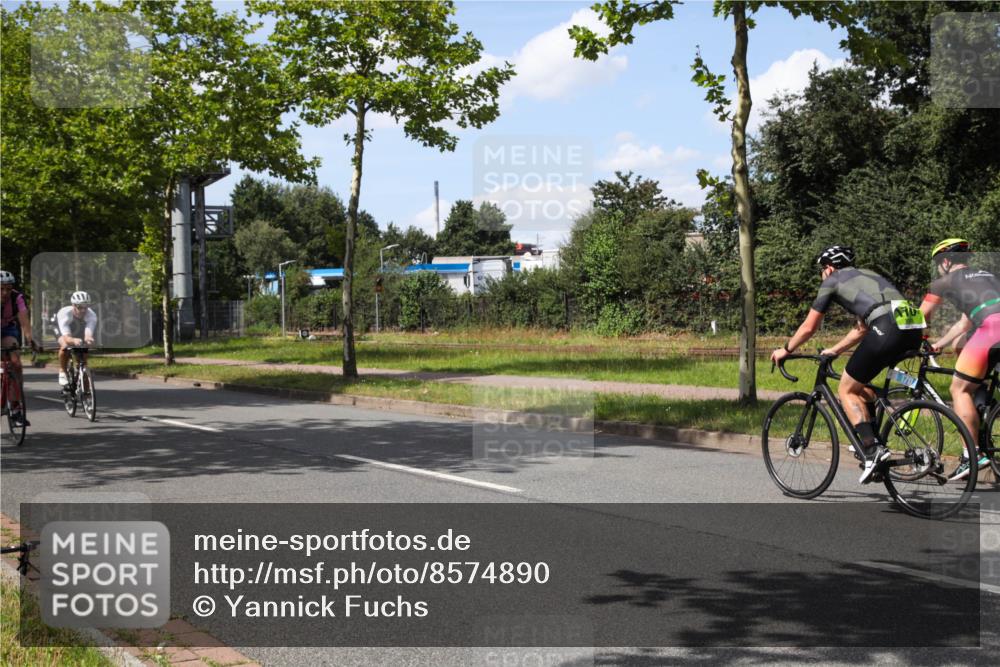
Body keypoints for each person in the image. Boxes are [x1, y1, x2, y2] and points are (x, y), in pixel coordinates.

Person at [771, 246, 925, 483]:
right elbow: (862, 328)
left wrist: (786, 349)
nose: (822, 274)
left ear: (829, 268)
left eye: (822, 270)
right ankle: (872, 438)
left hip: (888, 327)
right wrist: (835, 350)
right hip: (913, 328)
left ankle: (873, 450)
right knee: (861, 387)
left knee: (846, 389)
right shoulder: (869, 275)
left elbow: (809, 327)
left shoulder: (832, 280)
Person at [919, 238, 1000, 480]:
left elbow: (921, 316)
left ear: (945, 261)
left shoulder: (944, 282)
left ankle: (971, 455)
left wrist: (916, 338)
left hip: (991, 330)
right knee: (963, 352)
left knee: (959, 389)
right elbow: (965, 323)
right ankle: (984, 405)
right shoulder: (987, 276)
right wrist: (938, 344)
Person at [1, 270, 36, 425]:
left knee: (16, 363)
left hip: (7, 329)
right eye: (1, 289)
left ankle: (16, 408)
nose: (5, 293)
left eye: (8, 289)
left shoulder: (17, 298)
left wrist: (31, 340)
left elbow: (24, 322)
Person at [57, 291, 97, 388]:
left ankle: (84, 385)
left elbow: (88, 333)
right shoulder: (65, 314)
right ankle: (62, 370)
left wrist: (89, 339)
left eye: (86, 307)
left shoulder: (91, 315)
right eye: (80, 307)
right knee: (65, 345)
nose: (83, 310)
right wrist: (73, 341)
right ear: (73, 305)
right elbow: (67, 337)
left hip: (78, 329)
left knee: (83, 356)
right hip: (63, 330)